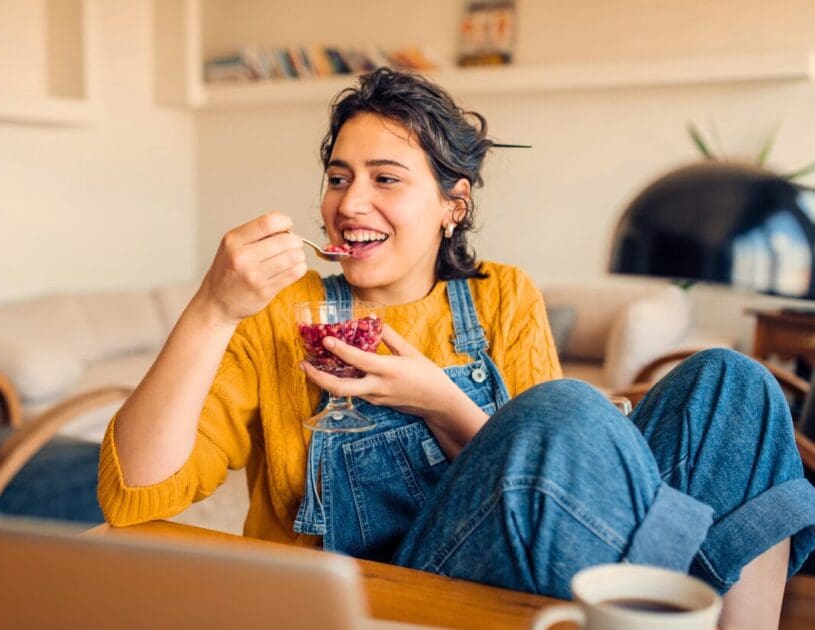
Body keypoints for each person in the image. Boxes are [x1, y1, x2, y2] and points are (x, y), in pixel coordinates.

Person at [99, 68, 814, 629]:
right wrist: (211, 309)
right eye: (339, 178)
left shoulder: (503, 296)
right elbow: (133, 496)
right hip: (381, 592)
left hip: (518, 561)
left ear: (454, 204)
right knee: (565, 409)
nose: (349, 203)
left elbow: (552, 487)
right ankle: (669, 600)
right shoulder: (281, 313)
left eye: (385, 178)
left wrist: (440, 402)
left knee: (735, 386)